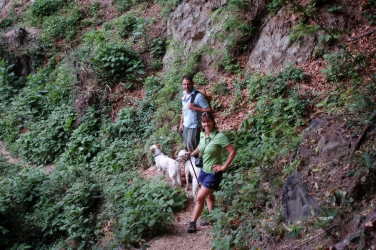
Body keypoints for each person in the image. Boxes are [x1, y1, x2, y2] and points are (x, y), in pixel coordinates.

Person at [186, 112, 237, 233]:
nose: (206, 124)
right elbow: (200, 146)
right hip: (203, 171)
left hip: (213, 174)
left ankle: (192, 223)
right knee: (209, 196)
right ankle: (212, 217)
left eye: (208, 121)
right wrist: (192, 153)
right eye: (204, 122)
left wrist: (223, 166)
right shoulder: (202, 134)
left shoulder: (220, 137)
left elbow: (232, 152)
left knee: (199, 198)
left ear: (213, 121)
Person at [179, 75, 211, 153]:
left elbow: (208, 110)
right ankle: (191, 163)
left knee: (193, 149)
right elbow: (184, 108)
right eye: (184, 84)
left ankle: (197, 163)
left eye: (188, 84)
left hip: (194, 126)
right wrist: (181, 123)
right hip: (186, 125)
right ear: (182, 84)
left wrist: (195, 108)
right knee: (187, 147)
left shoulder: (198, 96)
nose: (186, 86)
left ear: (192, 83)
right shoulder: (184, 93)